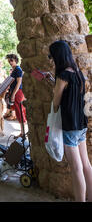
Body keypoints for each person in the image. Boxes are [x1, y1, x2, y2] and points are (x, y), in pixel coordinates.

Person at [48, 40, 92, 202]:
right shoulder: (77, 72)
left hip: (69, 126)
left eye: (50, 56)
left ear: (57, 56)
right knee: (86, 164)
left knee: (76, 167)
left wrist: (53, 90)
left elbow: (56, 102)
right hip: (81, 124)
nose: (50, 59)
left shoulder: (63, 75)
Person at [5, 53, 27, 136]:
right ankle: (22, 131)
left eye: (12, 60)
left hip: (18, 92)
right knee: (17, 111)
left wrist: (13, 94)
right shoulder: (14, 69)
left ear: (15, 61)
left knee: (19, 111)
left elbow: (19, 83)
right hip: (14, 92)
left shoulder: (18, 69)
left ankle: (23, 132)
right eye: (9, 61)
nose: (10, 62)